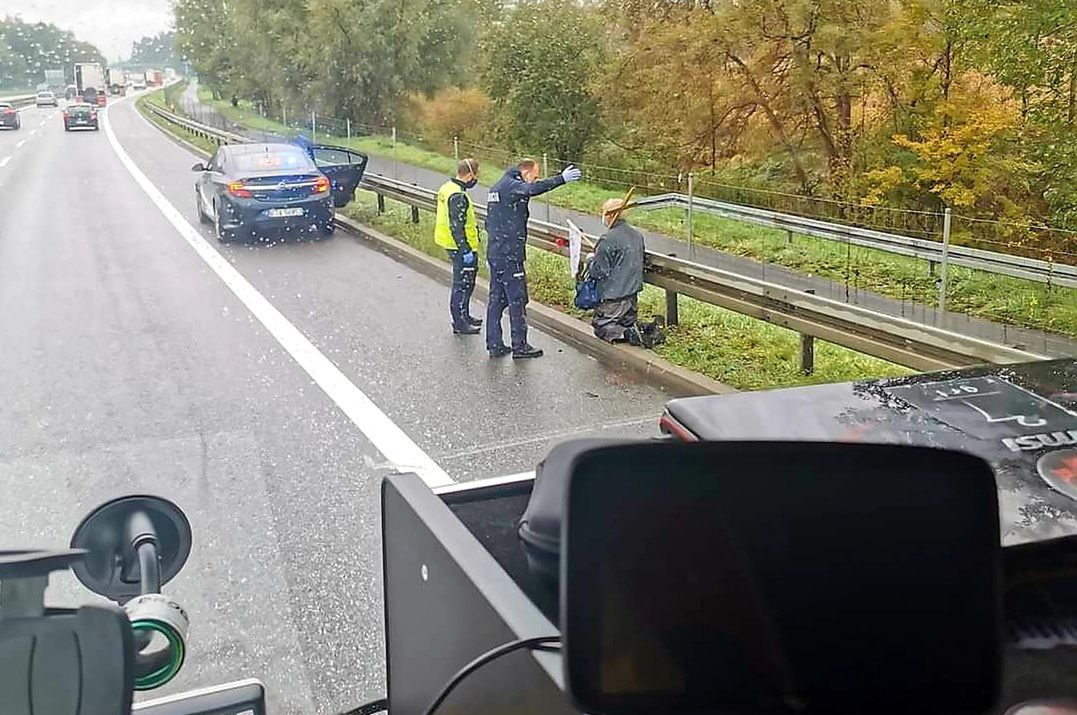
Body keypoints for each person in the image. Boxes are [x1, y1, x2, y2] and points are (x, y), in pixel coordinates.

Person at [485, 158, 582, 358]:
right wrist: (561, 179)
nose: (534, 180)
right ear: (525, 173)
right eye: (534, 176)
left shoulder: (497, 186)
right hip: (509, 254)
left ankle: (494, 343)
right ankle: (520, 346)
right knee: (517, 300)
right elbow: (532, 189)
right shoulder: (512, 186)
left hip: (496, 251)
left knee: (496, 299)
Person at [434, 158, 482, 334]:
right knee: (462, 284)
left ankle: (464, 315)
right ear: (469, 175)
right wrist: (465, 249)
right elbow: (457, 225)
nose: (476, 180)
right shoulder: (458, 195)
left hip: (450, 242)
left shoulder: (447, 187)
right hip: (460, 247)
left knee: (465, 283)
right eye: (476, 176)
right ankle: (460, 323)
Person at [589, 198, 646, 344]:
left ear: (609, 215)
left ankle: (628, 334)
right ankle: (633, 328)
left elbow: (599, 272)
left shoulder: (608, 239)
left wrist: (590, 259)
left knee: (601, 328)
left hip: (614, 297)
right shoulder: (637, 236)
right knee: (625, 321)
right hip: (632, 296)